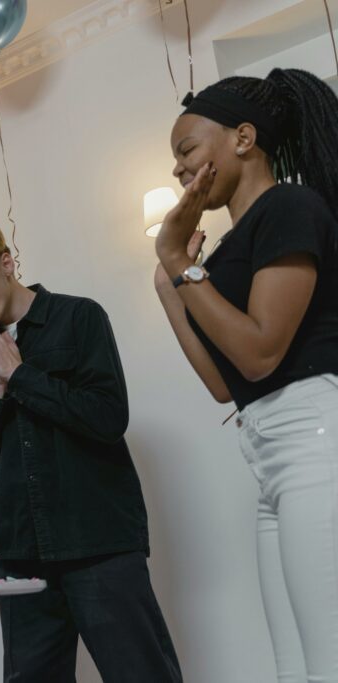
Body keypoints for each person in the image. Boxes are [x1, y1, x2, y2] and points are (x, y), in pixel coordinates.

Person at [0, 223, 182, 682]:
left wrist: (20, 376)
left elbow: (107, 417)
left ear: (6, 263)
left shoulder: (80, 318)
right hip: (23, 554)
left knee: (141, 674)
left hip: (100, 541)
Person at [154, 67, 338, 683]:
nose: (178, 170)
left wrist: (182, 262)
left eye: (186, 150)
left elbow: (260, 352)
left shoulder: (289, 206)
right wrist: (169, 281)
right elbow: (224, 384)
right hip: (269, 455)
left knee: (328, 658)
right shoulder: (226, 249)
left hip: (317, 442)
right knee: (294, 666)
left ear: (242, 137)